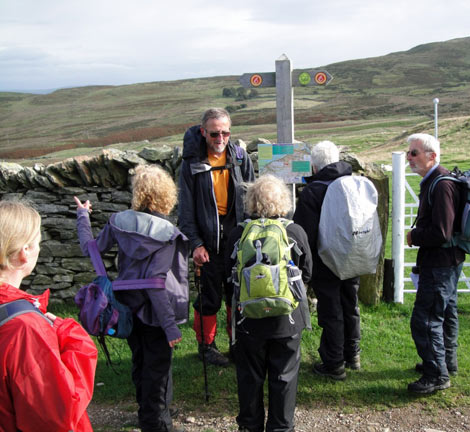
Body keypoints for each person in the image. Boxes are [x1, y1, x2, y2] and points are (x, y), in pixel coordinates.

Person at [75, 164, 190, 432]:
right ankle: (156, 423)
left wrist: (82, 216)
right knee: (158, 370)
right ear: (166, 195)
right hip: (156, 311)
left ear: (138, 193)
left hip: (125, 307)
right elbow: (156, 283)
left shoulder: (119, 222)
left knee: (141, 363)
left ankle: (151, 416)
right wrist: (170, 325)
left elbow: (90, 249)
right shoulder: (167, 233)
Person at [0, 200, 98, 432]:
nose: (39, 249)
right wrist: (74, 338)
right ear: (25, 252)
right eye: (37, 243)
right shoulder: (25, 329)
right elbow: (56, 416)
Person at [225, 174, 312, 432]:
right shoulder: (294, 232)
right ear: (283, 200)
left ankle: (249, 426)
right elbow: (306, 273)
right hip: (287, 320)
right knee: (284, 377)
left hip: (248, 319)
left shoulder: (238, 234)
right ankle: (281, 427)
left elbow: (228, 277)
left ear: (250, 201)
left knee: (249, 377)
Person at [178, 107, 255, 366]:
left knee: (239, 295)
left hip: (237, 240)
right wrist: (196, 244)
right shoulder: (191, 164)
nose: (220, 138)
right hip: (208, 243)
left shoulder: (241, 158)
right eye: (214, 133)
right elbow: (186, 211)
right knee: (209, 297)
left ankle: (238, 344)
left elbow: (252, 198)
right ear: (203, 132)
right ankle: (207, 347)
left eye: (225, 133)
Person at [293, 140, 361, 381]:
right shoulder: (354, 183)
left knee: (331, 310)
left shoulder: (314, 191)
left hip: (326, 260)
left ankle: (334, 364)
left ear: (314, 165)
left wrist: (304, 268)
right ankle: (352, 354)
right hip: (353, 255)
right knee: (350, 304)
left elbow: (304, 234)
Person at [405, 133, 464, 394]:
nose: (409, 157)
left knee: (425, 319)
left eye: (414, 153)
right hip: (447, 261)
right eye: (408, 153)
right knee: (446, 312)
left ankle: (436, 375)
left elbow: (442, 232)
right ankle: (445, 362)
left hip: (439, 264)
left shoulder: (440, 185)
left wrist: (413, 236)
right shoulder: (437, 181)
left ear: (432, 156)